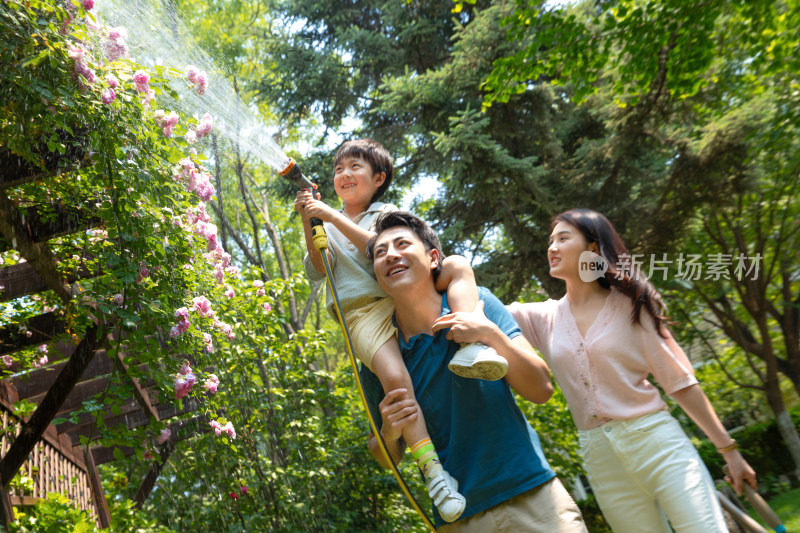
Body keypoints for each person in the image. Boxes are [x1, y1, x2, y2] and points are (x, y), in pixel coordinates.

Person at [295, 139, 507, 522]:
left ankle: (472, 345)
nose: (344, 175)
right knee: (396, 380)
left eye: (355, 167)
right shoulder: (324, 219)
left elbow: (379, 249)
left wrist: (330, 215)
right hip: (364, 313)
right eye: (338, 169)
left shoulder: (384, 214)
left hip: (404, 295)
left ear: (379, 178)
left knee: (457, 265)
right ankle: (435, 473)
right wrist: (312, 221)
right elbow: (320, 267)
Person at [508, 208, 758, 533]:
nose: (551, 247)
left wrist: (730, 452)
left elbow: (680, 382)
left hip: (656, 442)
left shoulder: (633, 304)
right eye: (550, 240)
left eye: (563, 238)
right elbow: (478, 307)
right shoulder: (543, 317)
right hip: (600, 457)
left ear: (593, 249)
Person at [360, 210, 588, 532]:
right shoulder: (379, 354)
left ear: (433, 257)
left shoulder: (478, 303)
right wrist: (389, 432)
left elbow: (541, 389)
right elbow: (386, 457)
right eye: (380, 252)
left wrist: (489, 334)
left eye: (401, 244)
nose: (391, 255)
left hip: (533, 497)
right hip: (459, 519)